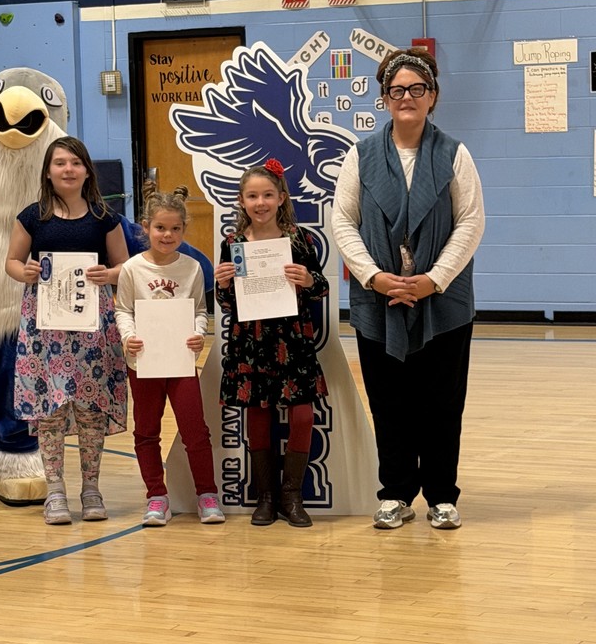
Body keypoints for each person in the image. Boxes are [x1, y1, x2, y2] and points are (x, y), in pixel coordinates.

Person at [331, 48, 485, 531]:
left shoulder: (454, 153)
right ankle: (395, 493)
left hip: (444, 303)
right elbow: (342, 221)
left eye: (417, 89)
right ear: (384, 98)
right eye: (397, 90)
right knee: (390, 402)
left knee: (442, 403)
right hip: (380, 299)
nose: (407, 98)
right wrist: (375, 277)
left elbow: (471, 222)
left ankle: (442, 495)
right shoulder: (361, 156)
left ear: (432, 97)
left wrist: (432, 280)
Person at [5, 136, 128, 525]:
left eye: (75, 163)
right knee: (51, 411)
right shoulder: (32, 216)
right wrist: (22, 271)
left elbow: (125, 266)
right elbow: (11, 261)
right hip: (45, 330)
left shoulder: (104, 217)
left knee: (91, 410)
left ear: (87, 170)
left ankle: (91, 489)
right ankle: (54, 491)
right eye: (60, 163)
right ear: (48, 171)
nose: (68, 169)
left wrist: (108, 274)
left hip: (93, 329)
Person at [214, 159, 329, 528]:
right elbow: (227, 304)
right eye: (252, 196)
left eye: (267, 194)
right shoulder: (231, 243)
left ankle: (291, 495)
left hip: (293, 339)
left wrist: (308, 279)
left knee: (302, 414)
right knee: (257, 414)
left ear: (281, 197)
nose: (260, 202)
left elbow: (322, 287)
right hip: (251, 341)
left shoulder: (299, 239)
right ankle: (265, 496)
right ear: (242, 201)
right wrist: (224, 284)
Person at [114, 182, 223, 527]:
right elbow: (123, 310)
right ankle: (156, 497)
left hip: (180, 361)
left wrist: (198, 333)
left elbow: (200, 311)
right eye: (160, 228)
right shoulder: (132, 269)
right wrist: (129, 337)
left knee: (195, 430)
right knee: (146, 431)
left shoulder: (191, 268)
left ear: (183, 230)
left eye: (176, 228)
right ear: (145, 228)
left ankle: (207, 495)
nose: (167, 234)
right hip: (143, 361)